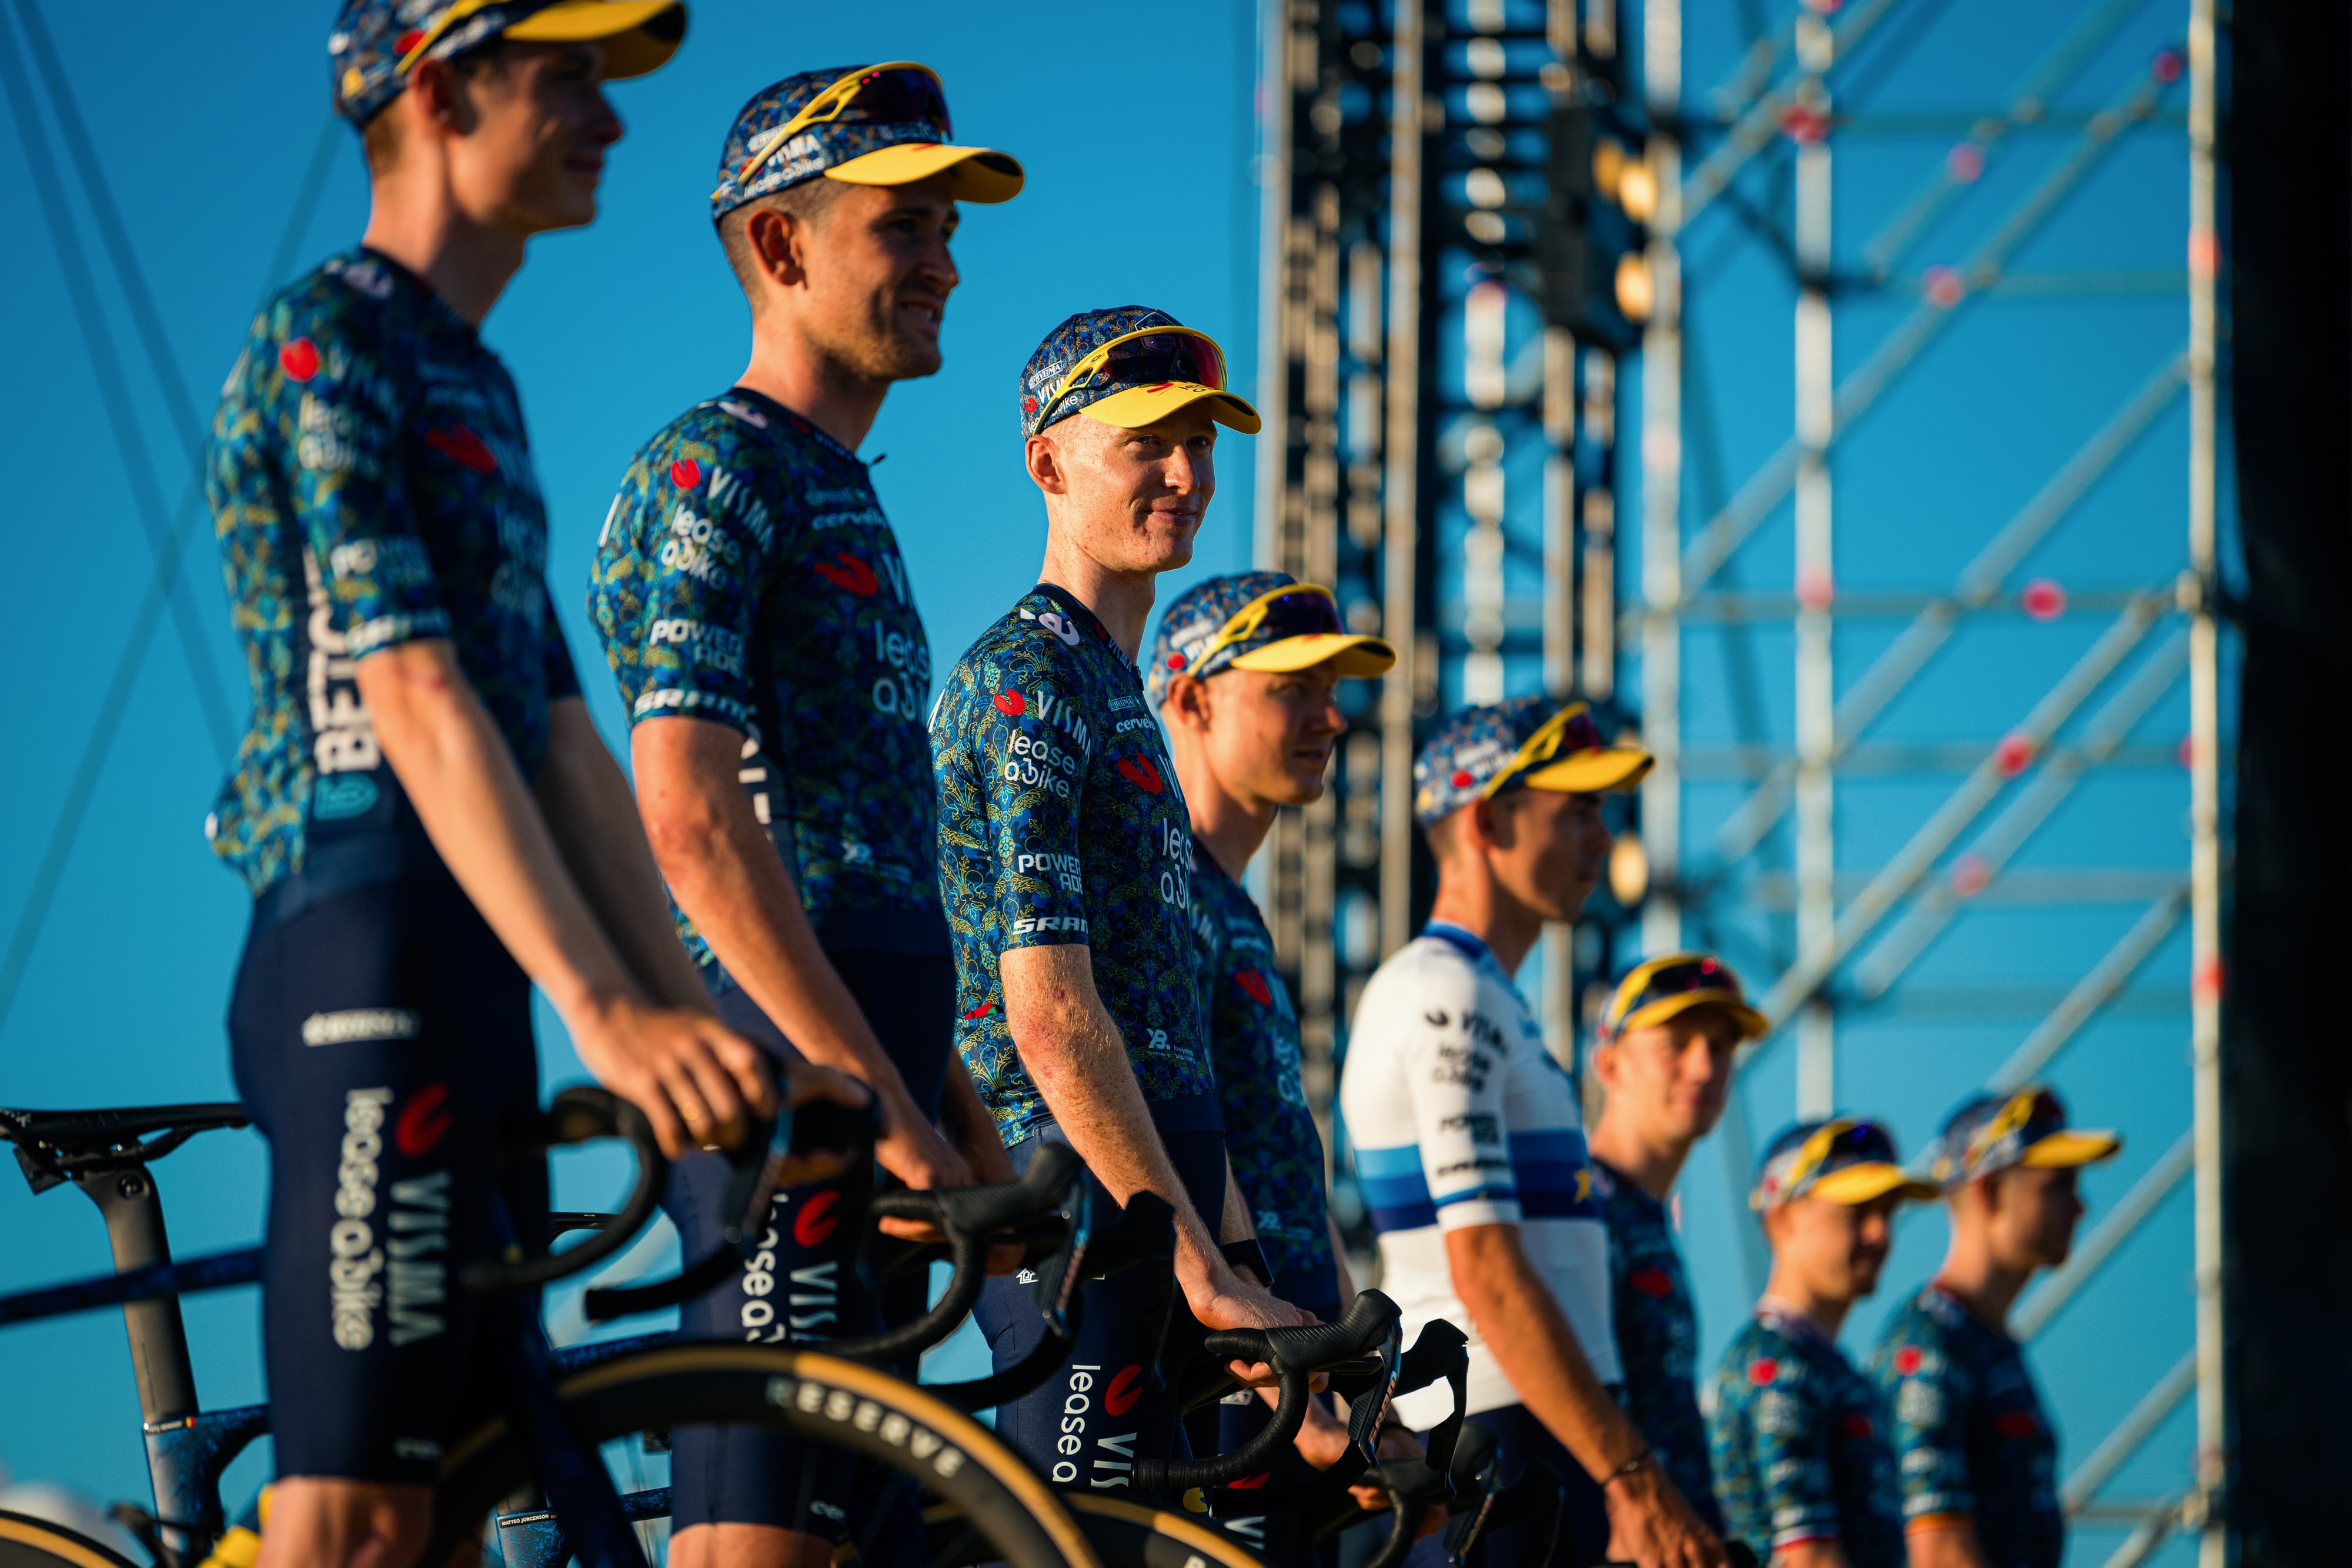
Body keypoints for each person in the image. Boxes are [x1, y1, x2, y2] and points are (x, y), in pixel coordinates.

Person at [201, 5, 853, 1563]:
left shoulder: (475, 380)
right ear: (435, 91)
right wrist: (607, 1008)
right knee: (353, 1526)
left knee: (467, 1511)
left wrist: (681, 1015)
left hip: (467, 971)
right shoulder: (331, 337)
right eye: (565, 76)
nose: (608, 118)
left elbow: (561, 738)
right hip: (356, 944)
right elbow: (413, 691)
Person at [587, 62, 1021, 1567]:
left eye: (950, 231)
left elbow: (871, 847)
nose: (947, 265)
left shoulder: (842, 484)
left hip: (873, 1082)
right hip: (794, 1092)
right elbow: (693, 822)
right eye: (906, 226)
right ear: (780, 246)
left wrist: (951, 1114)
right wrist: (885, 1103)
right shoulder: (718, 468)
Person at [931, 307, 1308, 1497]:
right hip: (1077, 1202)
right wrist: (1204, 1265)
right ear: (1046, 461)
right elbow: (1045, 1012)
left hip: (1165, 1200)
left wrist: (1235, 1254)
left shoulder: (1114, 688)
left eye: (1200, 438)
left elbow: (1174, 1040)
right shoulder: (1025, 675)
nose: (1187, 472)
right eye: (1146, 439)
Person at [1339, 697, 1727, 1568]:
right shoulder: (1447, 996)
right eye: (1578, 811)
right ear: (1486, 820)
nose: (1604, 841)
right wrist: (1632, 1475)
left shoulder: (1489, 999)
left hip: (1536, 1435)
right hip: (1500, 1436)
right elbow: (1486, 1270)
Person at [1148, 571, 1419, 1558]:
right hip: (1234, 1376)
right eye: (1291, 688)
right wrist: (1277, 1376)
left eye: (1333, 691)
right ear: (1190, 697)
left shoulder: (1230, 903)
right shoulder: (1165, 888)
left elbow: (1287, 1170)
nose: (1329, 719)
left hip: (1295, 1372)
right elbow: (1166, 1143)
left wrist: (1362, 1378)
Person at [1870, 1088, 2120, 1568]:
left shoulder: (1983, 1336)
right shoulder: (1930, 1343)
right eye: (2058, 1185)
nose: (2081, 1206)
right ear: (1989, 1191)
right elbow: (1938, 1551)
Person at [1587, 953, 1770, 1535]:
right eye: (1676, 1043)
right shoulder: (1581, 1210)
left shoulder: (1640, 1216)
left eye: (1719, 1047)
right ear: (1609, 1064)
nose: (1702, 1068)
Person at [1706, 1120, 1939, 1568]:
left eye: (1887, 1213)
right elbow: (1808, 1560)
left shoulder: (1825, 1365)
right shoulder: (1776, 1366)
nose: (1880, 1234)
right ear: (1782, 1216)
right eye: (1857, 1213)